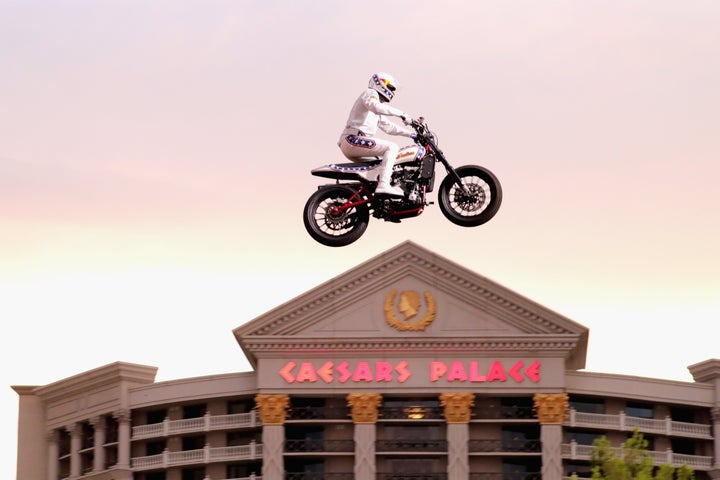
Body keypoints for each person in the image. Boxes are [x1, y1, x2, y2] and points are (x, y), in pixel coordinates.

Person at [338, 72, 415, 197]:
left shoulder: (377, 111)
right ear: (380, 83)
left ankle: (378, 198)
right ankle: (383, 185)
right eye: (390, 88)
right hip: (353, 139)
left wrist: (411, 135)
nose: (392, 92)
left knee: (382, 164)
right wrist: (402, 113)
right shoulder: (370, 94)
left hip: (357, 142)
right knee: (392, 147)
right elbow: (375, 106)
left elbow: (389, 127)